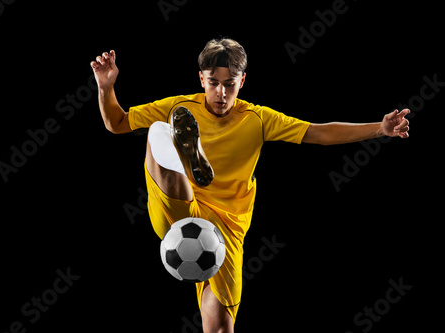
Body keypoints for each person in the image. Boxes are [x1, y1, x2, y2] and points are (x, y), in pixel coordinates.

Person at [90, 38, 410, 333]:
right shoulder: (182, 106)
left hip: (226, 232)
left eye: (230, 85)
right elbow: (117, 123)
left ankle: (180, 151)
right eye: (213, 83)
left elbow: (318, 132)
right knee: (158, 130)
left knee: (218, 328)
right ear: (201, 79)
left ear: (242, 81)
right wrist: (106, 87)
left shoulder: (257, 119)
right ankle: (182, 153)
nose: (221, 93)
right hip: (182, 208)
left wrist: (379, 130)